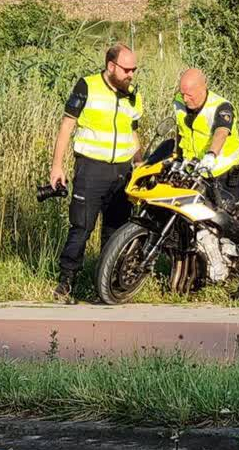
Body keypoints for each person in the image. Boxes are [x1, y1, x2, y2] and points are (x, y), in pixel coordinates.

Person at [49, 43, 144, 300]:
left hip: (123, 171)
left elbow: (132, 131)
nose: (131, 74)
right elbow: (66, 127)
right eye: (127, 69)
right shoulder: (87, 86)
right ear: (111, 66)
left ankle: (106, 286)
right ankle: (67, 281)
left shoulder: (132, 94)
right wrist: (57, 166)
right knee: (81, 228)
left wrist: (139, 163)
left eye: (134, 69)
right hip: (91, 168)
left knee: (116, 230)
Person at [172, 67, 239, 201]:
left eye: (189, 94)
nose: (185, 99)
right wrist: (178, 157)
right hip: (195, 173)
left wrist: (211, 155)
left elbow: (222, 132)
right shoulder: (179, 102)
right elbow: (181, 130)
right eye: (182, 93)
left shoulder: (220, 106)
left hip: (224, 176)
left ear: (203, 88)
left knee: (231, 217)